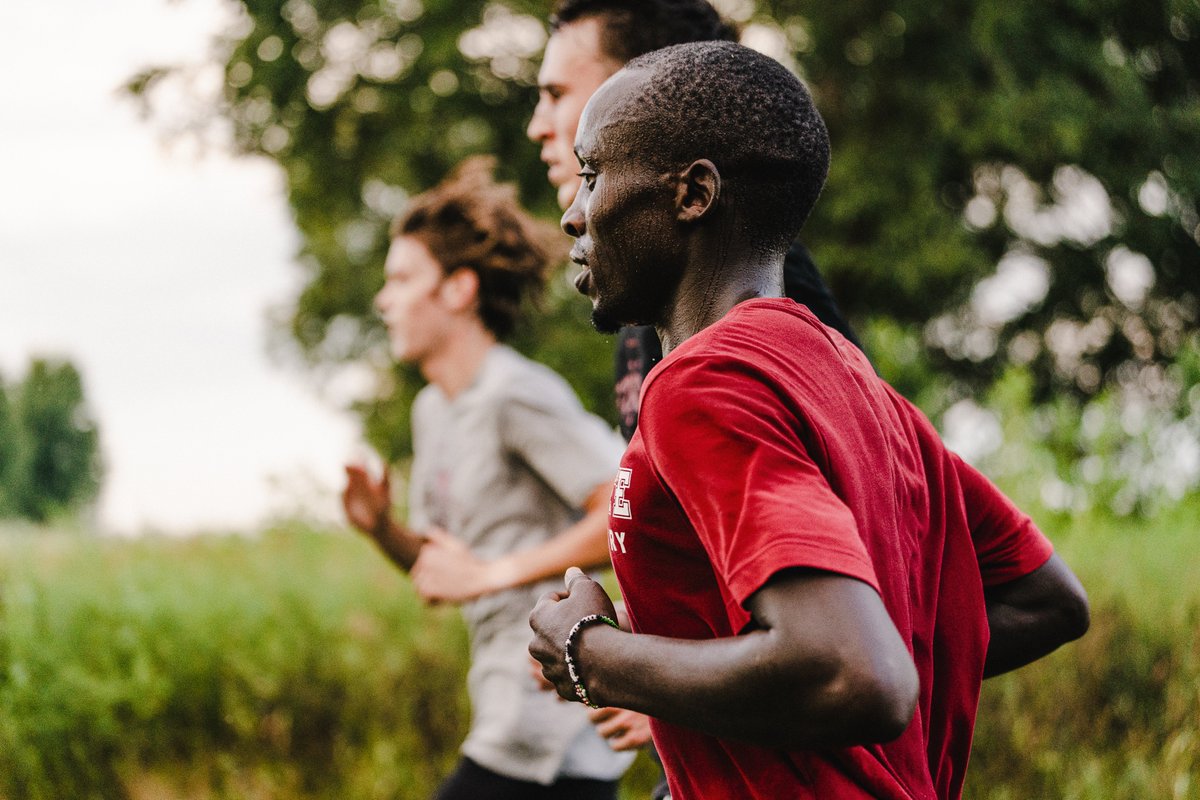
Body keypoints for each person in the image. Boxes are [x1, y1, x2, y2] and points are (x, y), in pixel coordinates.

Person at [528, 42, 1090, 800]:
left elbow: (855, 674)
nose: (572, 214)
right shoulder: (853, 382)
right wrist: (710, 658)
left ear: (694, 194)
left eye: (591, 176)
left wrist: (590, 656)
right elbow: (1046, 600)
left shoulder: (700, 383)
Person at [342, 157, 633, 799]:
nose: (383, 300)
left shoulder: (514, 392)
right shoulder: (433, 410)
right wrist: (382, 530)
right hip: (505, 715)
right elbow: (448, 567)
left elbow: (623, 509)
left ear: (458, 290)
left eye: (401, 279)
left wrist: (492, 576)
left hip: (555, 734)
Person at [527, 0, 862, 440]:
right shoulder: (644, 288)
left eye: (556, 95)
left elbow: (867, 468)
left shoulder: (751, 279)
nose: (537, 126)